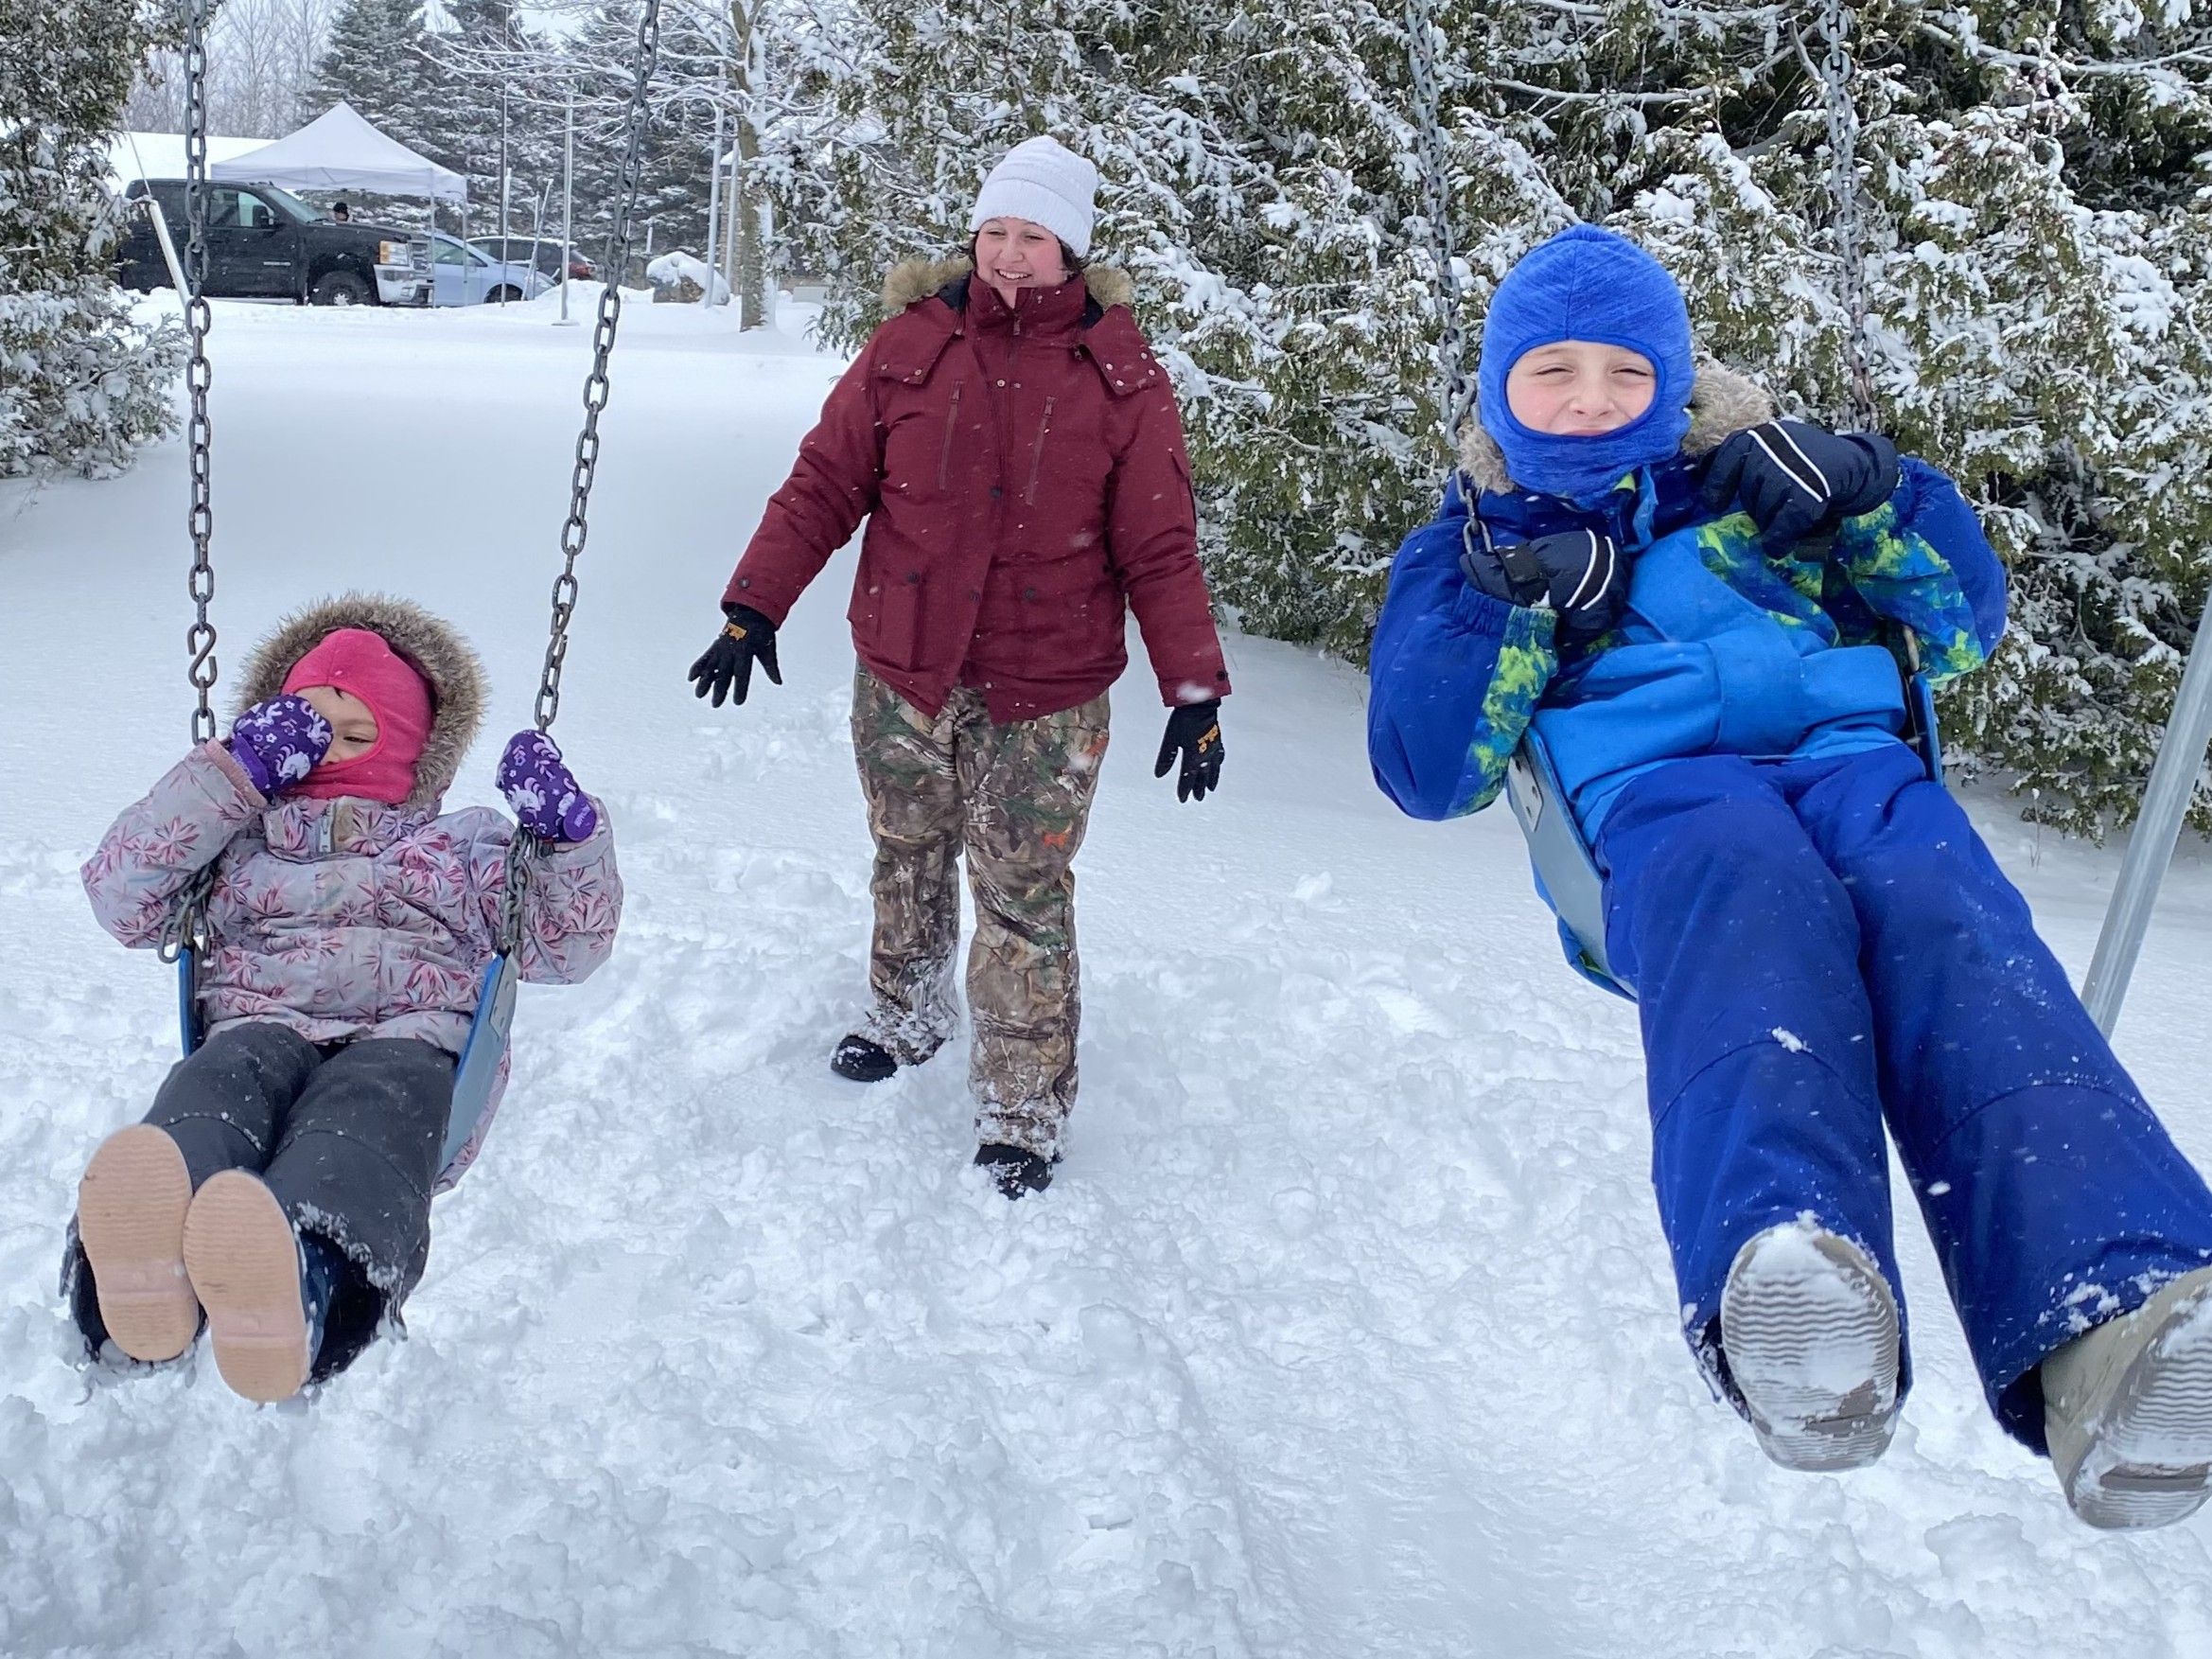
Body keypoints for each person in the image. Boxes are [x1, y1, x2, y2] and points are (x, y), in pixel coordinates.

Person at [1366, 223, 2212, 1530]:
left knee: (1941, 903)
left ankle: (2117, 1316)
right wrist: (1511, 601)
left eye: (1622, 374)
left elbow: (1961, 627)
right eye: (1551, 375)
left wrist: (1876, 492)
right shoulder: (1469, 543)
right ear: (1495, 389)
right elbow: (1425, 773)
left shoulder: (1757, 481)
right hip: (1662, 809)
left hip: (1851, 765)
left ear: (1671, 379)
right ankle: (1793, 1274)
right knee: (1748, 884)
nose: (1590, 402)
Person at [689, 135, 1230, 1199]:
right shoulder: (908, 346)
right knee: (904, 849)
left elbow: (1160, 547)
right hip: (903, 666)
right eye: (996, 233)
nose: (1010, 255)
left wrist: (1193, 690)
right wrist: (754, 607)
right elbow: (822, 485)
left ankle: (1023, 1105)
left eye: (1033, 237)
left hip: (1048, 688)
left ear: (1071, 249)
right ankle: (904, 1014)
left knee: (1023, 889)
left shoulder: (1122, 382)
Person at [66, 595, 622, 1402]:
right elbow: (120, 893)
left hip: (408, 1039)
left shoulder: (461, 844)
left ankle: (307, 1279)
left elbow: (568, 945)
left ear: (414, 749)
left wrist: (567, 840)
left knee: (366, 1115)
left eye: (357, 733)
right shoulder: (239, 835)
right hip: (259, 1022)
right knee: (217, 1087)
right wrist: (229, 777)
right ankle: (138, 1267)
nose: (327, 751)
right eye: (303, 729)